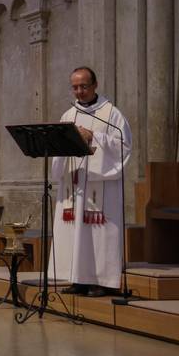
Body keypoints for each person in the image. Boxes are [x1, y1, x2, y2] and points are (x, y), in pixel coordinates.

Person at [50, 66, 132, 298]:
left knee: (98, 234)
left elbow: (124, 146)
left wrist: (94, 136)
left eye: (83, 86)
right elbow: (58, 148)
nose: (79, 91)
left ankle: (102, 282)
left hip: (101, 187)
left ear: (95, 85)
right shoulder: (68, 115)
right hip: (74, 185)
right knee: (75, 233)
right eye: (75, 87)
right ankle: (78, 279)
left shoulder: (112, 114)